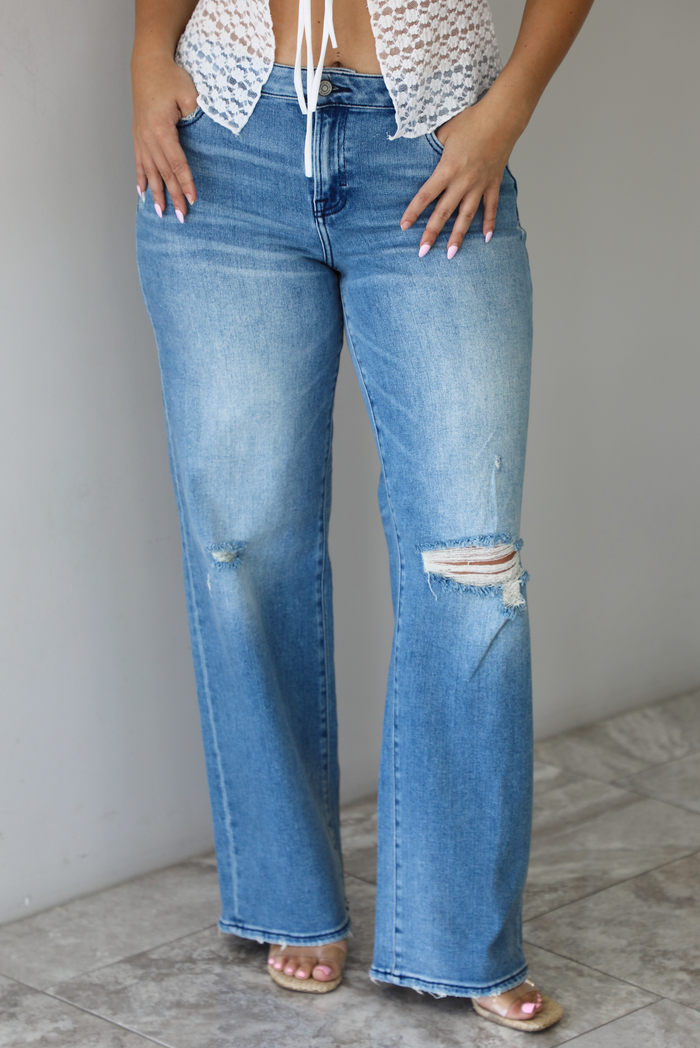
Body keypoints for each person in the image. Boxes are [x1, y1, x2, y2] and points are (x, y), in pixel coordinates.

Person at [132, 0, 594, 1032]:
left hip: (426, 145)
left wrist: (505, 111)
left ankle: (458, 935)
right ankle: (289, 896)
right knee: (242, 544)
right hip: (226, 142)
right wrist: (146, 53)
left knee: (471, 559)